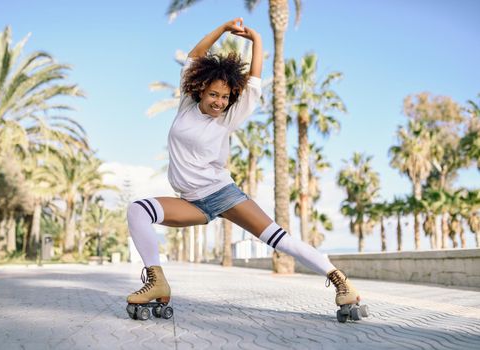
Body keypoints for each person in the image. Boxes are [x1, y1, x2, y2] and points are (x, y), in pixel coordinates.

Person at [126, 18, 361, 312]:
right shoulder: (186, 104)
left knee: (278, 238)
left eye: (225, 97)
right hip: (192, 202)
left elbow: (254, 80)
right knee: (138, 210)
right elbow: (195, 57)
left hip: (223, 194)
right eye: (213, 95)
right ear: (200, 90)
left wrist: (257, 40)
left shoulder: (228, 117)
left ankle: (340, 280)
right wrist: (223, 30)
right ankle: (157, 281)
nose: (219, 102)